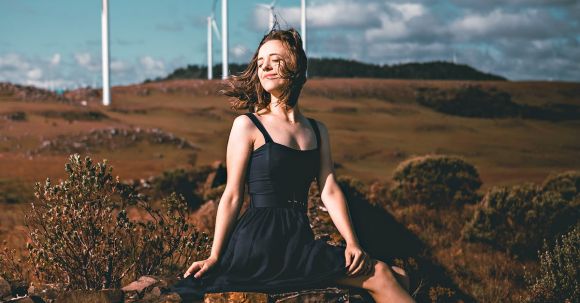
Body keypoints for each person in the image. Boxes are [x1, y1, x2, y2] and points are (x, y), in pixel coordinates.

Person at [172, 28, 415, 303]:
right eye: (260, 60)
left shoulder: (317, 130)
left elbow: (329, 189)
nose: (265, 66)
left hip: (297, 238)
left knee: (399, 274)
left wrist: (352, 242)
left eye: (275, 59)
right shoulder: (248, 125)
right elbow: (232, 195)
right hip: (261, 240)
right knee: (382, 273)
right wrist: (215, 255)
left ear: (296, 66)